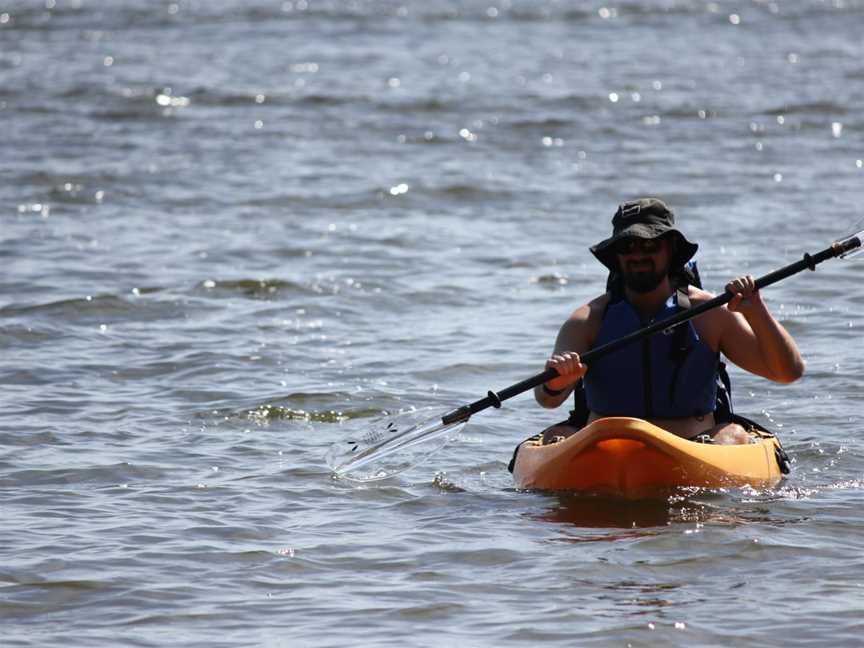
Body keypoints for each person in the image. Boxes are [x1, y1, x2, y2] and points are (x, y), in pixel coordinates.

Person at [534, 198, 805, 445]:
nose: (638, 255)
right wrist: (557, 382)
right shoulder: (587, 320)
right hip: (608, 446)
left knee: (733, 435)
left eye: (650, 244)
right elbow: (547, 399)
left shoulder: (709, 313)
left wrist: (756, 311)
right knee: (554, 437)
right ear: (616, 257)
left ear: (671, 250)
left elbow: (787, 372)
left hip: (694, 444)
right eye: (627, 246)